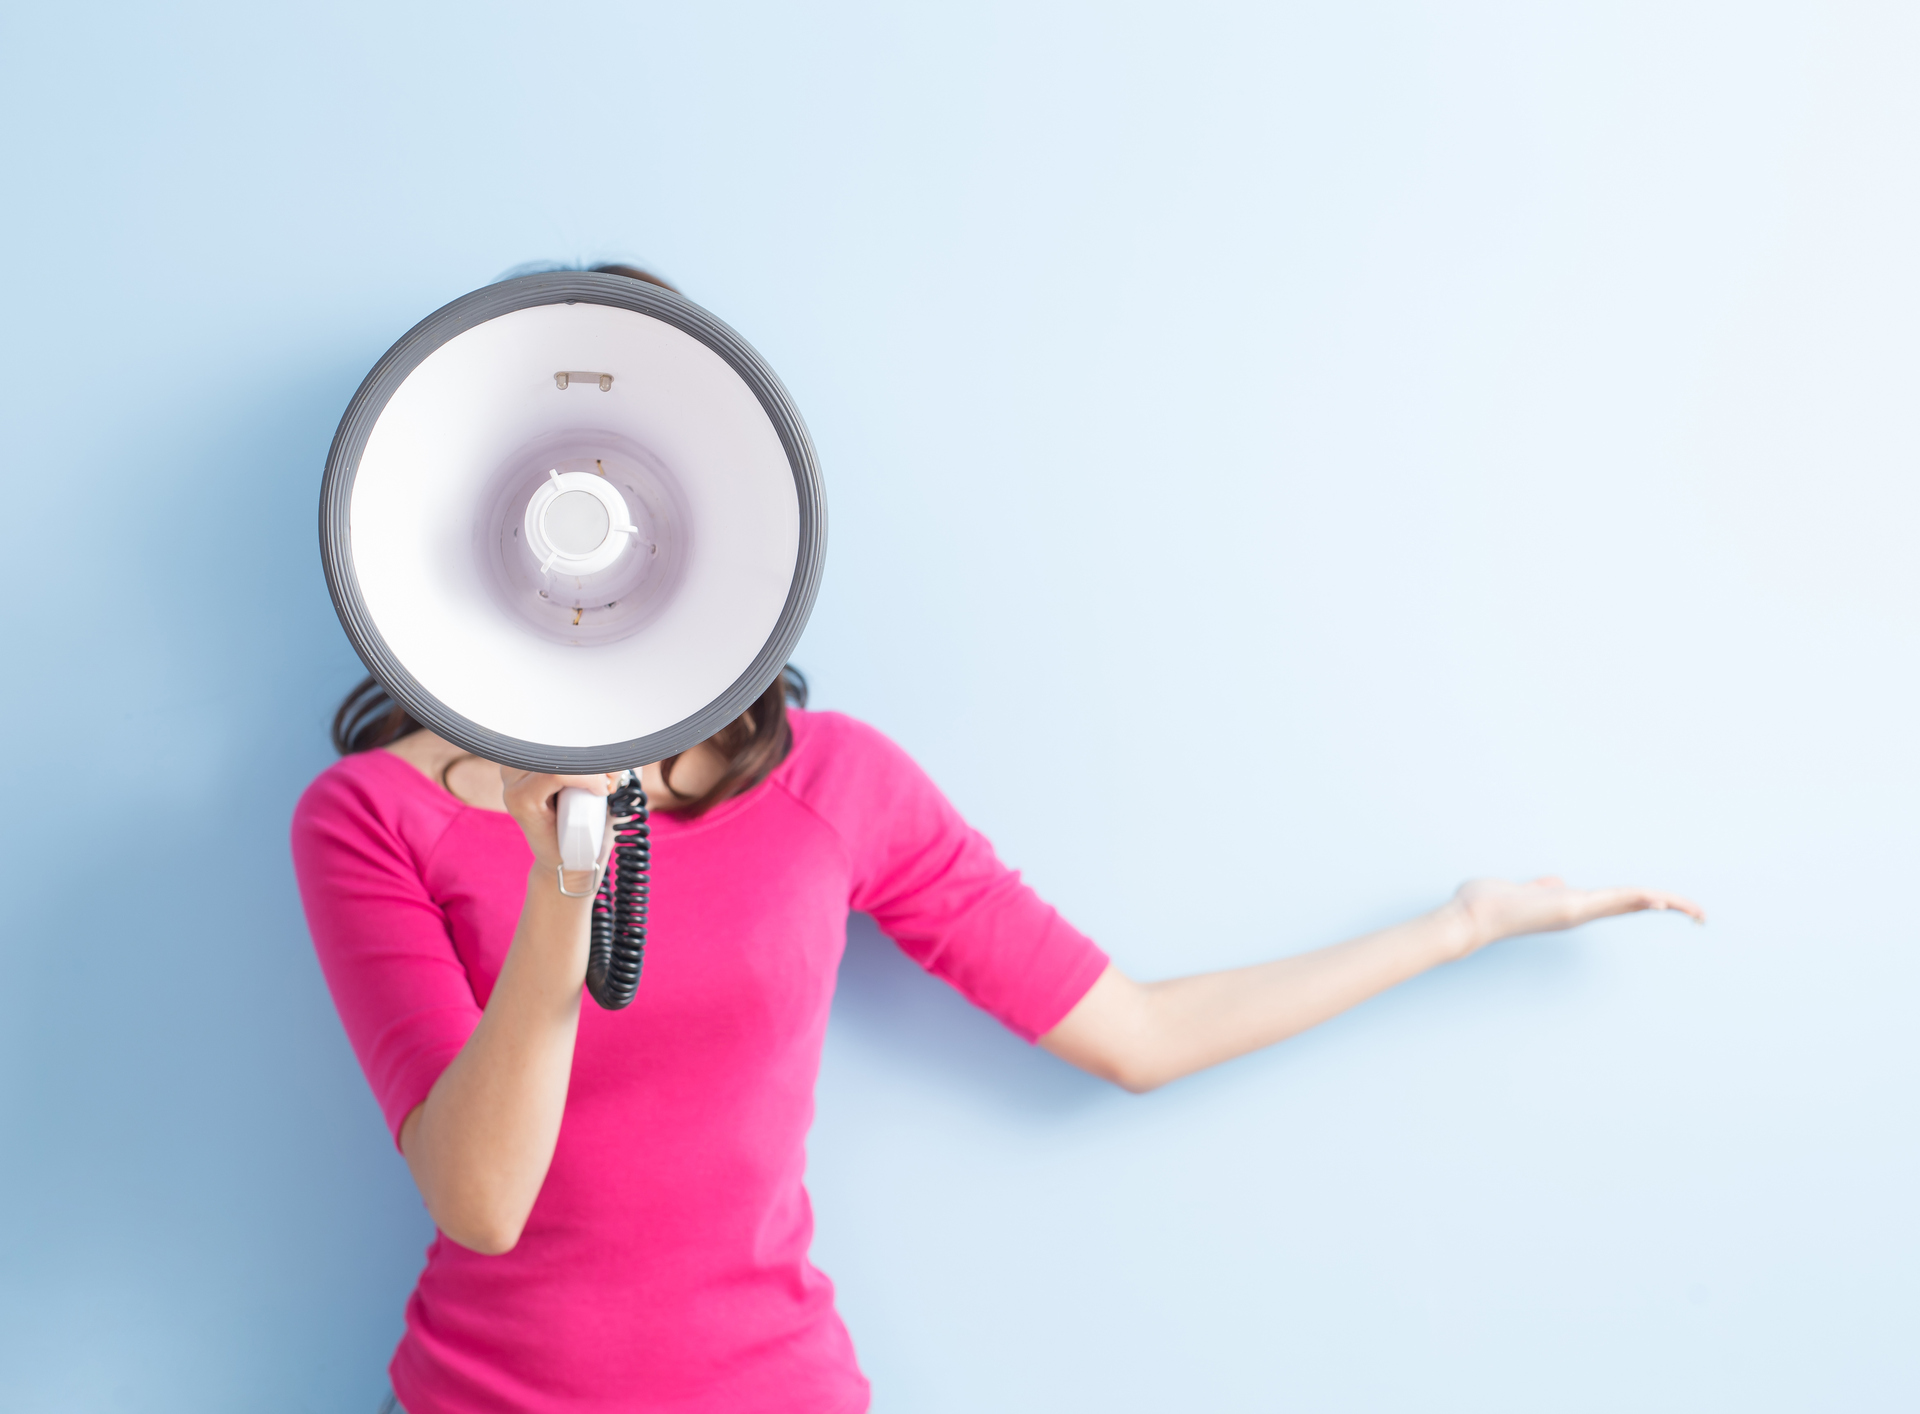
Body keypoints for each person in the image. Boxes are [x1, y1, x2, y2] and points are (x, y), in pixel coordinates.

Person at [292, 267, 1704, 1414]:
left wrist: (1458, 925)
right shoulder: (372, 815)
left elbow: (1134, 1033)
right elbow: (479, 1201)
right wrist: (566, 887)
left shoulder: (834, 784)